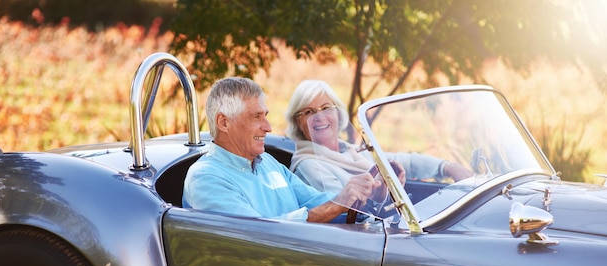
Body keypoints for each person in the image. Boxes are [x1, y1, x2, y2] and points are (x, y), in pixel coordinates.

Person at [182, 77, 376, 223]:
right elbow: (258, 234)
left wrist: (366, 197)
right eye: (256, 117)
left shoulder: (268, 163)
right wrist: (334, 207)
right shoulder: (205, 179)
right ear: (224, 122)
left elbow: (315, 201)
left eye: (265, 115)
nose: (268, 127)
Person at [286, 80, 472, 195]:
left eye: (326, 108)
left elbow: (402, 161)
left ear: (338, 113)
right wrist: (380, 191)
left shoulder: (352, 151)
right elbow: (344, 210)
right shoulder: (310, 165)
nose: (319, 117)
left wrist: (447, 167)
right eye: (309, 112)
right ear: (298, 122)